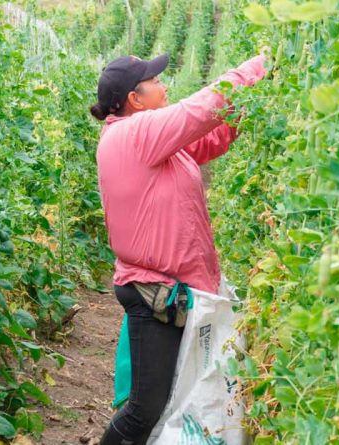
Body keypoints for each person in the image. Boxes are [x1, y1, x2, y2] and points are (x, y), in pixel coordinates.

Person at [90, 51, 267, 445]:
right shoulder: (134, 134)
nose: (163, 85)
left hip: (173, 289)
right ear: (135, 99)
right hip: (155, 292)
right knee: (143, 410)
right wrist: (258, 67)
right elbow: (199, 110)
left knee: (167, 401)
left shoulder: (152, 140)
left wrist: (249, 106)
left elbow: (209, 137)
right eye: (155, 81)